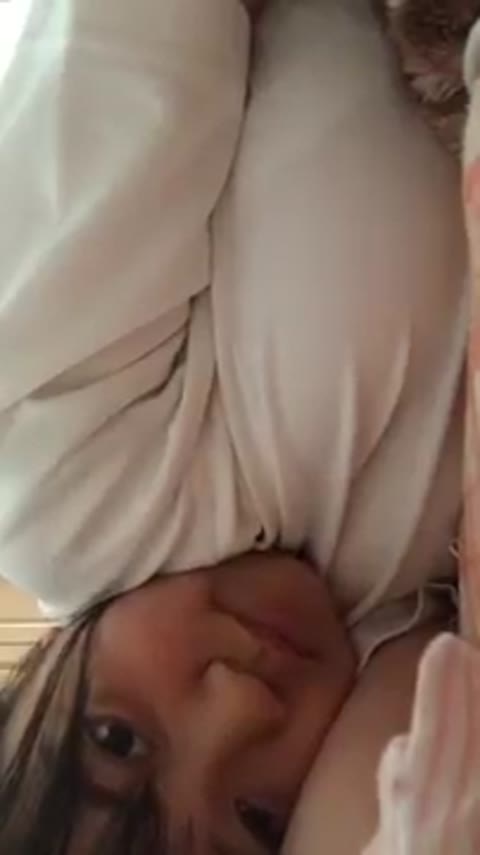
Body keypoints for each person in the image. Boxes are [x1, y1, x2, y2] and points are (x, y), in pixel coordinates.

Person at [0, 0, 467, 852]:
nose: (241, 703)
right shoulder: (385, 639)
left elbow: (135, 34)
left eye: (118, 738)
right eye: (256, 818)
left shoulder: (63, 483)